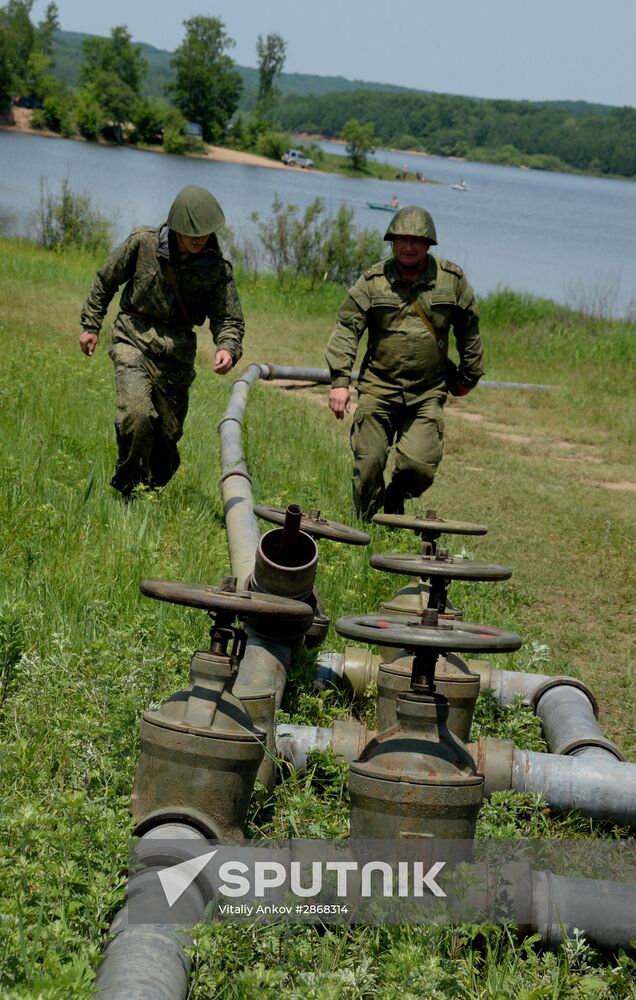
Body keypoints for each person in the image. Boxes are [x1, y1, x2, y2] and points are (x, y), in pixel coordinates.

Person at [79, 185, 244, 499]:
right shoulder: (143, 243)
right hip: (133, 338)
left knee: (167, 437)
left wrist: (227, 347)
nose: (199, 239)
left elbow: (229, 318)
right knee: (138, 415)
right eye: (192, 233)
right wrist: (90, 325)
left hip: (177, 354)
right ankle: (126, 488)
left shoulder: (216, 270)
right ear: (176, 226)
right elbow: (106, 279)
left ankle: (150, 485)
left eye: (205, 234)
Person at [325, 205, 484, 520]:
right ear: (391, 242)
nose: (408, 246)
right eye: (401, 240)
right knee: (368, 463)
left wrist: (469, 376)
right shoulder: (373, 281)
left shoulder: (451, 280)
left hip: (427, 392)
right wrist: (340, 382)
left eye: (416, 240)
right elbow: (347, 328)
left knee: (419, 467)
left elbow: (470, 328)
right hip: (378, 388)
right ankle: (369, 525)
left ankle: (394, 500)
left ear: (428, 244)